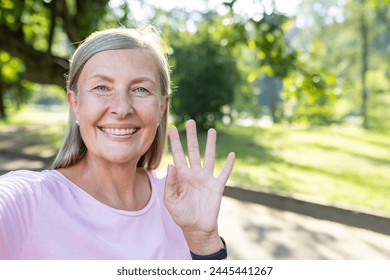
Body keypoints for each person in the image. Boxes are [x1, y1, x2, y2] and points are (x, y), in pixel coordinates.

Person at [0, 26, 235, 260]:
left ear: (161, 107)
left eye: (140, 89)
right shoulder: (27, 200)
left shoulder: (181, 200)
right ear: (75, 104)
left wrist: (203, 240)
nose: (122, 109)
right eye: (102, 87)